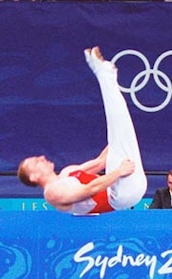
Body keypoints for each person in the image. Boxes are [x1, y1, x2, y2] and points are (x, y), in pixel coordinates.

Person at [17, 46, 146, 214]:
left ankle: (105, 74)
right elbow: (90, 189)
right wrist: (119, 171)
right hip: (119, 197)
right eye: (36, 162)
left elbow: (101, 162)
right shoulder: (52, 193)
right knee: (118, 129)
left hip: (126, 184)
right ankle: (103, 73)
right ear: (34, 177)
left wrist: (119, 136)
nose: (41, 157)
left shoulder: (68, 172)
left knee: (120, 125)